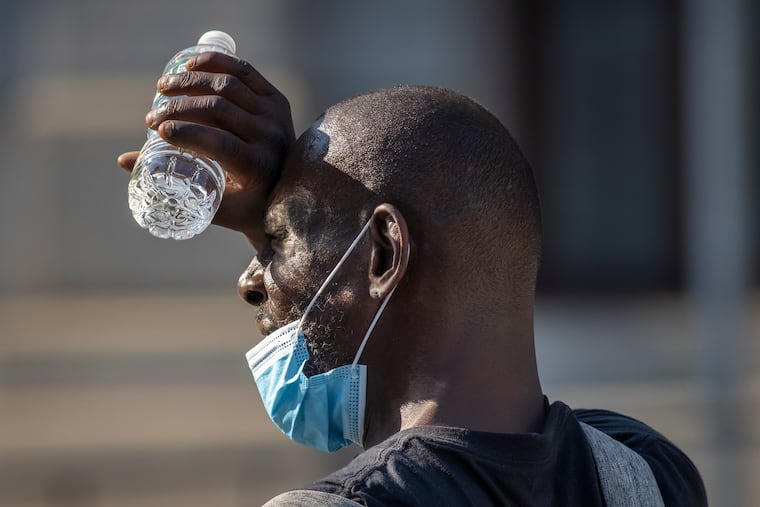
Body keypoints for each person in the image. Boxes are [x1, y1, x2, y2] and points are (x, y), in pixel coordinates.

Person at [118, 52, 707, 506]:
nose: (250, 281)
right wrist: (295, 210)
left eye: (276, 242)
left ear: (382, 254)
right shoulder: (650, 473)